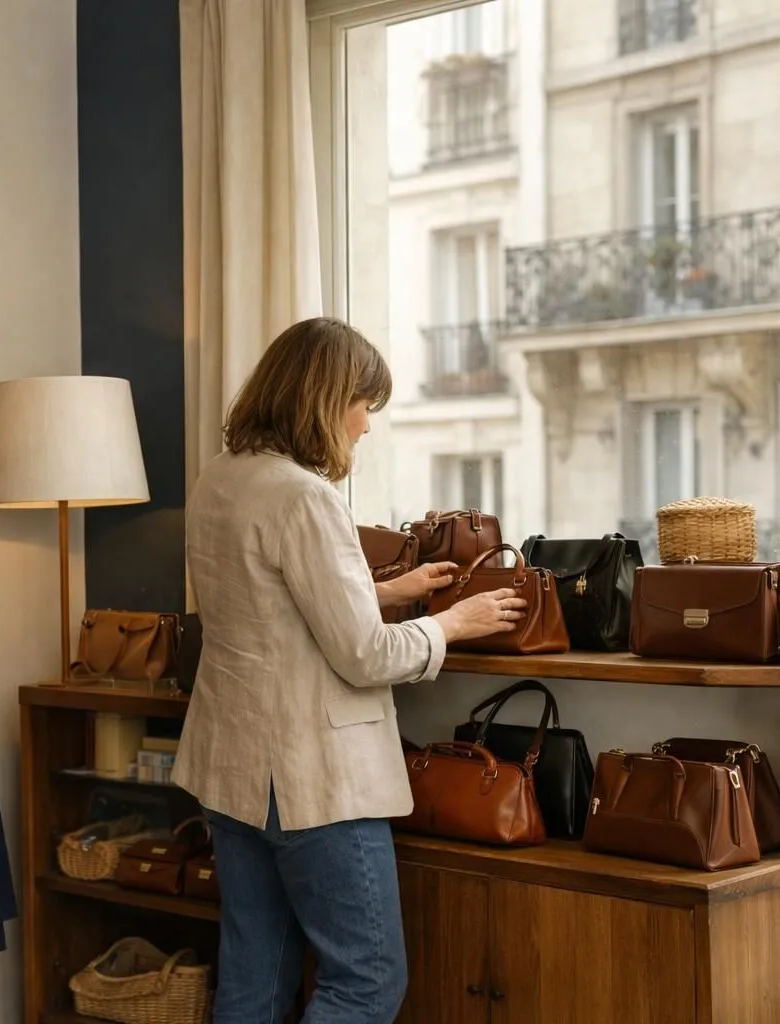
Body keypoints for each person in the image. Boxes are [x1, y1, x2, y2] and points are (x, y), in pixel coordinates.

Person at [172, 317, 524, 1024]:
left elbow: (266, 599)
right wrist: (453, 623)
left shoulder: (222, 478)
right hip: (310, 781)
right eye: (364, 404)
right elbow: (365, 656)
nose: (366, 426)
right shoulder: (306, 496)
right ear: (326, 400)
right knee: (366, 981)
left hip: (231, 770)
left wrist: (391, 590)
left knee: (255, 978)